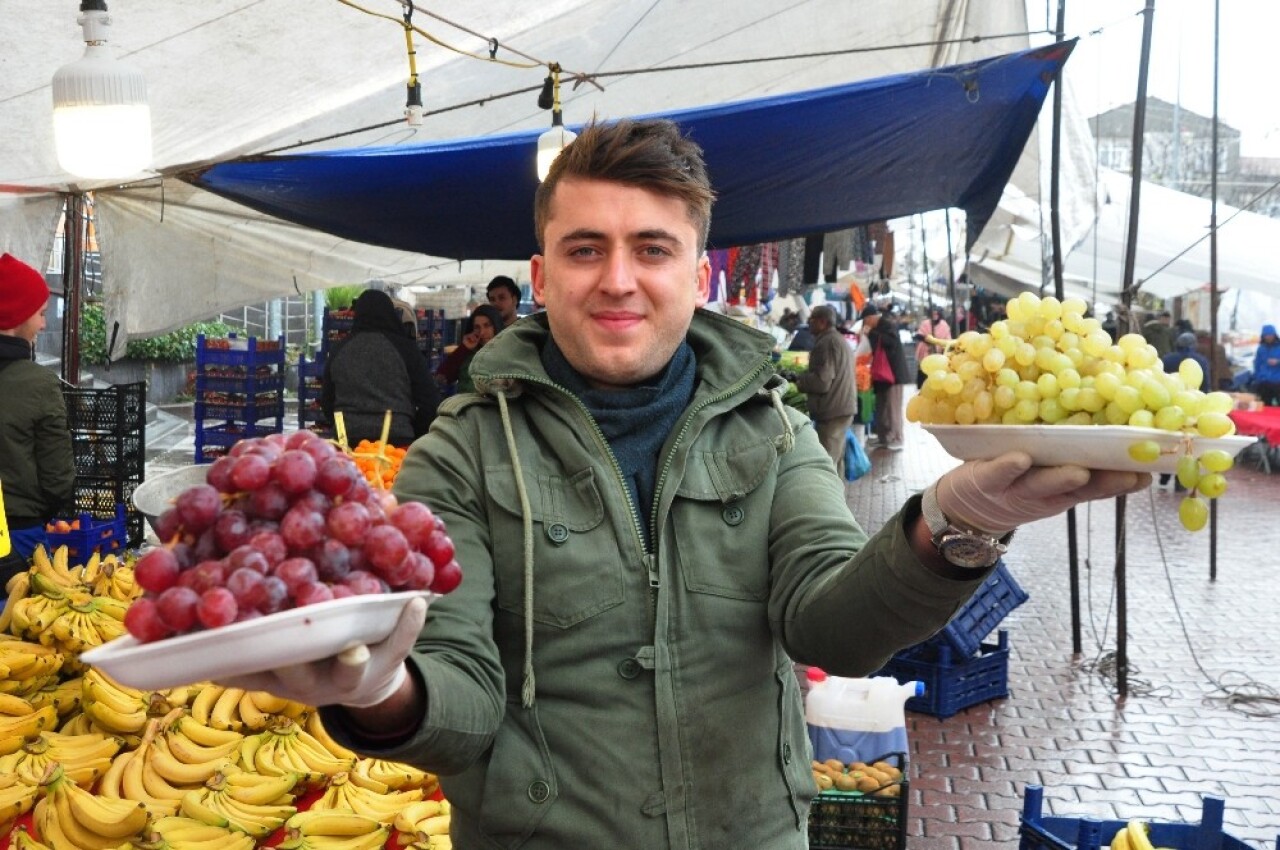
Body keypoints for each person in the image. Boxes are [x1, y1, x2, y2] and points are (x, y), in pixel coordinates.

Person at [220, 119, 1148, 848]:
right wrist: (375, 687)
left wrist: (957, 520)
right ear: (542, 276)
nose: (618, 280)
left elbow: (834, 627)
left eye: (652, 249)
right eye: (585, 250)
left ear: (698, 273)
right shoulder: (460, 454)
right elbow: (459, 702)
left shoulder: (777, 434)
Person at [0, 254, 74, 588]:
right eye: (41, 314)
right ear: (15, 317)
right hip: (18, 535)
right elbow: (58, 477)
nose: (44, 325)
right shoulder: (37, 383)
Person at [320, 289, 440, 447]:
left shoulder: (339, 349)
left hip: (348, 441)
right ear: (390, 313)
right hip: (397, 440)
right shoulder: (406, 349)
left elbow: (327, 401)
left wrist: (342, 430)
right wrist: (414, 432)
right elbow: (429, 401)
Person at [792, 304, 855, 476]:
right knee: (836, 461)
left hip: (832, 410)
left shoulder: (826, 343)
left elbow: (822, 382)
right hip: (841, 406)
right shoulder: (837, 339)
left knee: (827, 465)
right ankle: (838, 500)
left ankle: (831, 501)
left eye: (811, 320)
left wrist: (800, 380)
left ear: (822, 322)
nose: (809, 323)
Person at [1158, 332, 1211, 490]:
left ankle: (1164, 475)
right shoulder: (1201, 360)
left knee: (1168, 439)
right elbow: (1205, 385)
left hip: (1169, 407)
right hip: (1192, 408)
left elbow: (1160, 381)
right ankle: (1180, 481)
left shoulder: (1167, 359)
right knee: (1187, 443)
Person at [862, 302, 911, 451]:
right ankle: (883, 437)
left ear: (871, 318)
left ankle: (896, 437)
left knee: (892, 408)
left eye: (865, 320)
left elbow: (891, 343)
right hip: (881, 376)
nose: (865, 324)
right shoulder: (876, 328)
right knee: (882, 407)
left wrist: (871, 333)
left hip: (893, 375)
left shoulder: (888, 325)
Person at [435, 304, 504, 395]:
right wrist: (463, 348)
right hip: (465, 406)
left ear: (496, 325)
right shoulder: (467, 353)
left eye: (487, 325)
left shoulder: (507, 353)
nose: (482, 332)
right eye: (477, 327)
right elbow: (441, 378)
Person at [913, 306, 951, 388]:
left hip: (938, 352)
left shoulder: (944, 325)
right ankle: (921, 387)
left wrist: (941, 347)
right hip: (925, 350)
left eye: (936, 314)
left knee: (936, 370)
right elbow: (919, 335)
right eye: (933, 314)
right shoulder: (925, 323)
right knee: (924, 369)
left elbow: (947, 339)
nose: (935, 316)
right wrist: (928, 340)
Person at [1255, 323, 1280, 406]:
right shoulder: (1261, 348)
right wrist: (1258, 377)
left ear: (1274, 335)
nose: (1268, 337)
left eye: (1270, 335)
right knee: (1265, 406)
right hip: (1264, 382)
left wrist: (1278, 362)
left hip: (1278, 382)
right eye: (1266, 335)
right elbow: (1257, 364)